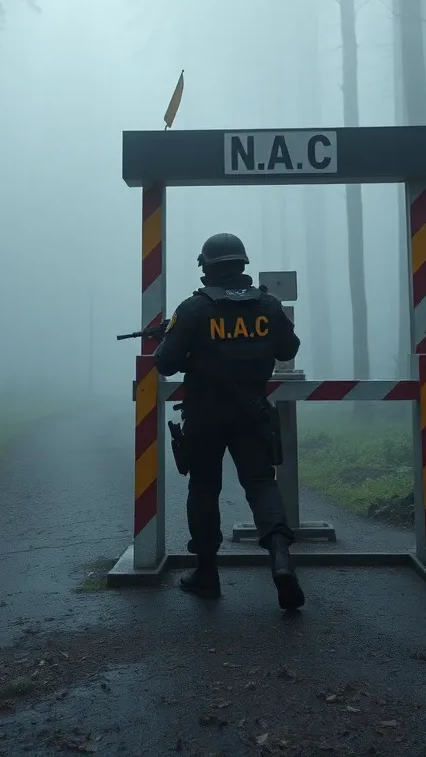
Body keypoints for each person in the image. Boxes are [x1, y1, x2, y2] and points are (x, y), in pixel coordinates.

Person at [154, 232, 305, 610]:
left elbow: (165, 362)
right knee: (261, 484)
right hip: (252, 412)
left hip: (205, 416)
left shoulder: (193, 309)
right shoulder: (269, 305)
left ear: (206, 268)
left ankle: (207, 574)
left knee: (204, 489)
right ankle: (281, 561)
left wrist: (187, 347)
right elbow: (288, 348)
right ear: (242, 266)